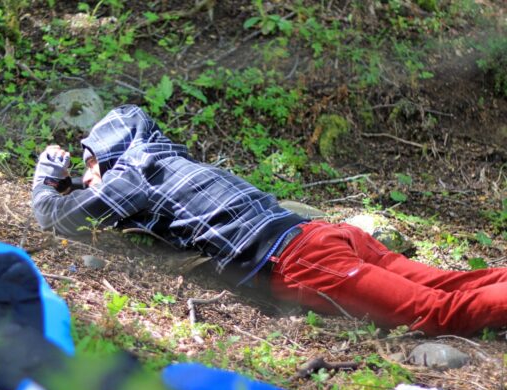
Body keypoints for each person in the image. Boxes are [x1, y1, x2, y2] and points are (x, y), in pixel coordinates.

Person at [32, 104, 507, 337]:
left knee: (439, 314)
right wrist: (78, 184)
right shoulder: (165, 160)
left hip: (305, 259)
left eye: (90, 163)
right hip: (328, 235)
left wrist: (47, 180)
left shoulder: (134, 177)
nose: (89, 175)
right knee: (452, 283)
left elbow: (58, 218)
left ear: (110, 155)